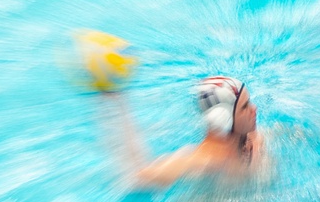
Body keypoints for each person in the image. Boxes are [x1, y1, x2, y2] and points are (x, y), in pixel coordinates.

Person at [102, 76, 272, 189]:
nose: (254, 109)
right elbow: (139, 176)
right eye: (245, 107)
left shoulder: (253, 139)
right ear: (224, 118)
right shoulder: (204, 160)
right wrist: (114, 101)